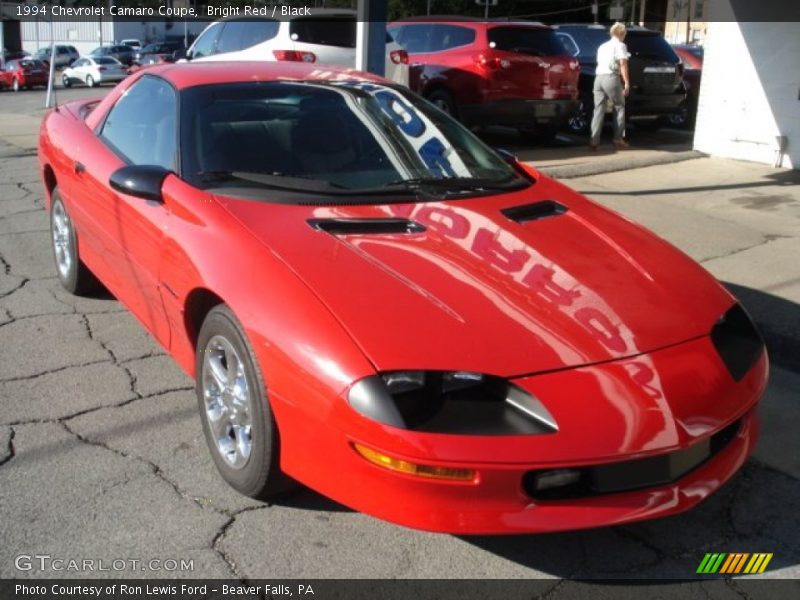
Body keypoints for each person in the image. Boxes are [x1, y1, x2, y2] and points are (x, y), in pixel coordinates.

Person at [590, 22, 631, 151]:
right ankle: (618, 139)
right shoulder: (621, 46)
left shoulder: (602, 46)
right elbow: (623, 64)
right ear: (622, 33)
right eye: (625, 34)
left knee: (598, 109)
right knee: (619, 107)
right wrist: (626, 82)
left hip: (598, 78)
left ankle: (594, 141)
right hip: (611, 77)